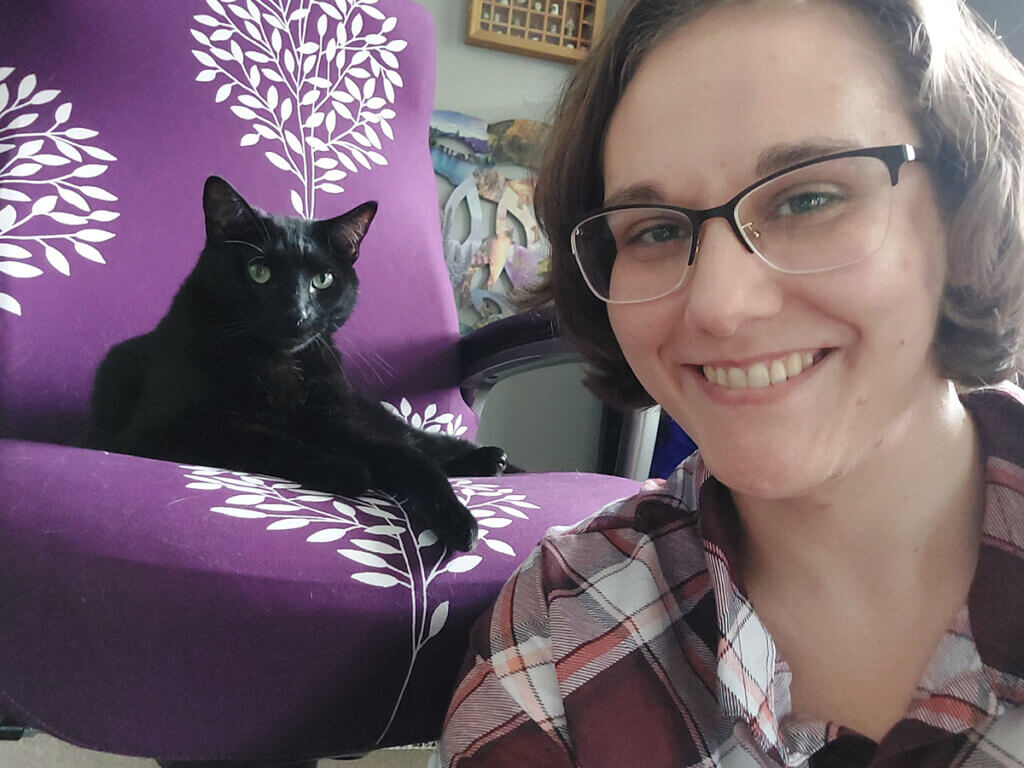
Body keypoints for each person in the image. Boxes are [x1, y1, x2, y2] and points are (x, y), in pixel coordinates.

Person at [433, 0, 1024, 765]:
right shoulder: (561, 634)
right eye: (655, 229)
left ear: (964, 208)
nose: (718, 305)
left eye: (807, 198)